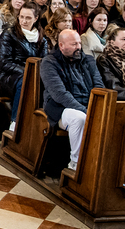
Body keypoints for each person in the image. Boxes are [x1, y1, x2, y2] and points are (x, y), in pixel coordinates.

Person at [40, 29, 104, 170]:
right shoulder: (49, 62)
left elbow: (99, 86)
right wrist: (87, 112)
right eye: (74, 44)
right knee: (79, 118)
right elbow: (60, 94)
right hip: (60, 107)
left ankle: (100, 165)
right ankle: (75, 164)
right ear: (61, 45)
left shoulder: (88, 60)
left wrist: (95, 109)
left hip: (88, 105)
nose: (79, 47)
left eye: (79, 43)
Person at [0, 2, 46, 129]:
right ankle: (15, 122)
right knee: (25, 82)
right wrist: (28, 73)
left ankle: (41, 124)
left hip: (33, 76)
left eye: (28, 18)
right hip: (9, 76)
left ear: (36, 19)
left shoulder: (42, 39)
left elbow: (45, 63)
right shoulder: (9, 33)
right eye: (21, 17)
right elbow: (4, 62)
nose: (24, 21)